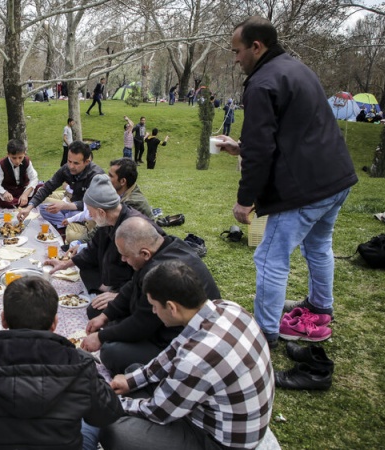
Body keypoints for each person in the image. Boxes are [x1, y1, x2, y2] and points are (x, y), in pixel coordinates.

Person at [215, 16, 357, 347]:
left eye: (237, 51)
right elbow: (292, 132)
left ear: (256, 46)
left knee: (269, 257)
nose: (235, 59)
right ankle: (320, 306)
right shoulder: (296, 69)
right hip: (336, 178)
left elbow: (262, 150)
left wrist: (245, 200)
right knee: (318, 245)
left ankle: (264, 333)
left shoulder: (262, 83)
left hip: (305, 188)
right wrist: (241, 146)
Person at [98, 260, 275, 450]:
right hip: (214, 413)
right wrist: (131, 381)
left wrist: (112, 402)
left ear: (172, 308)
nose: (154, 311)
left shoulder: (195, 359)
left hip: (219, 441)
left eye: (154, 306)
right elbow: (172, 352)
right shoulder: (227, 307)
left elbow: (158, 412)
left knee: (114, 431)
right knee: (134, 371)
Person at [0, 276, 123, 449]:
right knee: (88, 418)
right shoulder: (80, 363)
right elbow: (108, 414)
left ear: (3, 319)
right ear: (55, 323)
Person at [82, 217, 220, 375]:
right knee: (96, 310)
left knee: (111, 352)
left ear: (145, 253)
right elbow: (133, 284)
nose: (123, 259)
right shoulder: (166, 245)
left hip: (173, 337)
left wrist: (101, 337)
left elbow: (142, 324)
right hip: (157, 321)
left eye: (126, 255)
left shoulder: (161, 274)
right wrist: (106, 315)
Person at [45, 175, 155, 295]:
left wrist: (120, 295)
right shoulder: (107, 220)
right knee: (86, 270)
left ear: (101, 212)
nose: (90, 216)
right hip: (113, 280)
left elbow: (148, 272)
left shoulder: (134, 227)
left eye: (90, 212)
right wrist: (65, 264)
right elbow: (92, 249)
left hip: (133, 287)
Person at [17, 141, 104, 228]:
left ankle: (70, 225)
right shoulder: (66, 169)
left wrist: (64, 205)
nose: (71, 166)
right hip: (70, 203)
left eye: (76, 163)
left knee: (77, 221)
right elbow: (48, 187)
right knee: (44, 208)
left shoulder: (96, 176)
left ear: (87, 162)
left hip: (87, 211)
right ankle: (67, 224)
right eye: (69, 161)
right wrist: (28, 208)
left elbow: (92, 205)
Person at [0, 139, 39, 208]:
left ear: (24, 153)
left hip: (23, 190)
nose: (17, 161)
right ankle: (25, 203)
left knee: (41, 188)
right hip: (10, 194)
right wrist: (4, 193)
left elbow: (34, 178)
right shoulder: (2, 164)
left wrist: (25, 194)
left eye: (20, 157)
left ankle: (19, 203)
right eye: (14, 158)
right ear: (8, 155)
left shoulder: (27, 161)